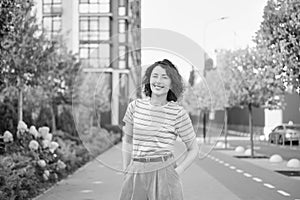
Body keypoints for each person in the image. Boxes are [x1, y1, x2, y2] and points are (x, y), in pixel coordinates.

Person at [119, 59, 199, 200]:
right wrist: (127, 169)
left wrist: (177, 171)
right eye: (155, 76)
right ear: (149, 80)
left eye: (164, 77)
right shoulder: (135, 106)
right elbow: (127, 139)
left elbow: (194, 149)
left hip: (164, 172)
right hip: (136, 171)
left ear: (172, 83)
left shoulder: (178, 113)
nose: (158, 81)